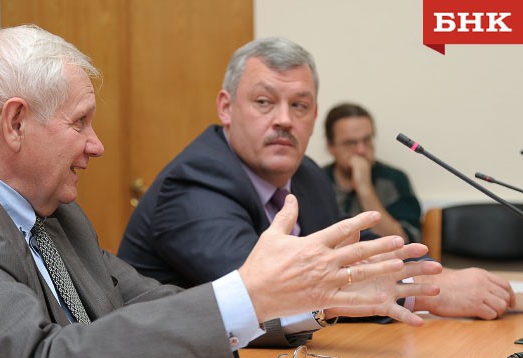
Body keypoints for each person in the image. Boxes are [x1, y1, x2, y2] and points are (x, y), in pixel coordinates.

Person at [0, 25, 442, 358]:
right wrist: (251, 294)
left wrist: (296, 301)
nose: (96, 145)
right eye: (80, 123)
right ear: (15, 123)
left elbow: (143, 301)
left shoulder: (54, 214)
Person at [118, 36, 516, 324]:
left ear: (313, 115)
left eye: (299, 105)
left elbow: (355, 250)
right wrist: (428, 293)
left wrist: (439, 276)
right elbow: (272, 292)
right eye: (264, 102)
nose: (284, 120)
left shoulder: (305, 174)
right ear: (226, 108)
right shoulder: (194, 183)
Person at [323, 102, 421, 243]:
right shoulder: (316, 180)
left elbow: (404, 241)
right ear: (330, 146)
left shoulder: (394, 180)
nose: (361, 150)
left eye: (367, 140)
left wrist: (364, 188)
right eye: (350, 143)